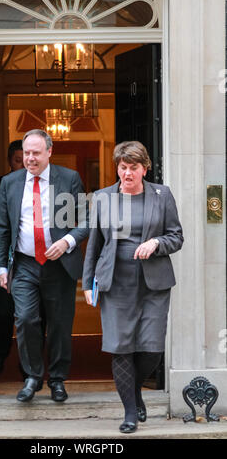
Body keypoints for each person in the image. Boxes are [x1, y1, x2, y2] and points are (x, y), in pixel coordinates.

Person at [82, 141, 183, 434]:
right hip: (116, 283)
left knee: (151, 348)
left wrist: (156, 243)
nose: (127, 173)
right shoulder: (103, 198)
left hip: (154, 284)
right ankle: (129, 412)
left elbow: (176, 236)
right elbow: (94, 244)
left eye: (133, 168)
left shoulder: (162, 196)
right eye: (123, 167)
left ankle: (134, 390)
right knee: (121, 348)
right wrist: (88, 282)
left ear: (145, 168)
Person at [0, 129, 89, 402]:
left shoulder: (69, 179)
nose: (30, 158)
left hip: (59, 264)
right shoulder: (10, 183)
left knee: (59, 324)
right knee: (25, 319)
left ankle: (57, 379)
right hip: (24, 264)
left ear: (49, 152)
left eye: (36, 152)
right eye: (26, 153)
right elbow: (3, 227)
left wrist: (68, 241)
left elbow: (84, 218)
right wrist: (2, 267)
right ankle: (33, 376)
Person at [0, 140, 24, 377]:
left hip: (34, 260)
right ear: (10, 160)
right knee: (2, 312)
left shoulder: (42, 186)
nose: (21, 165)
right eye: (17, 160)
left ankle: (29, 363)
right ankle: (0, 354)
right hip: (2, 260)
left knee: (34, 315)